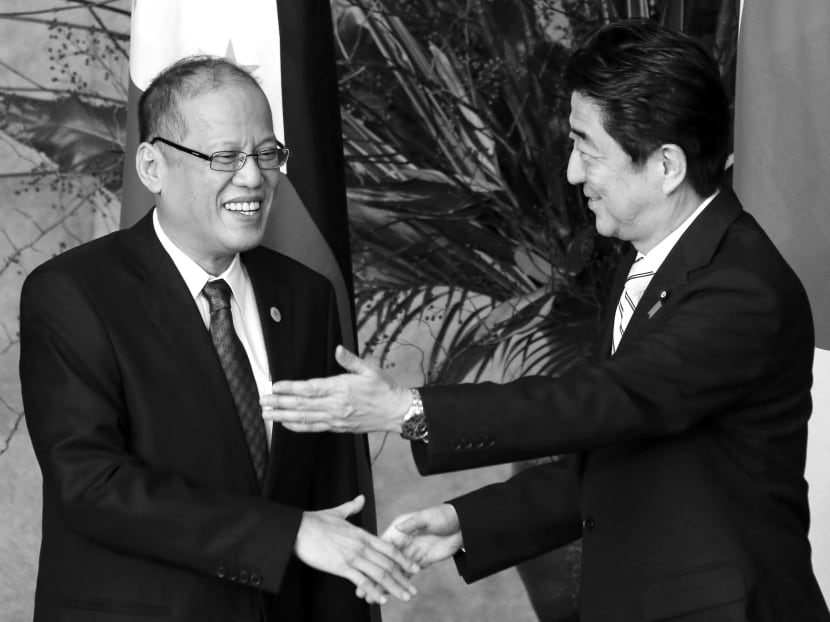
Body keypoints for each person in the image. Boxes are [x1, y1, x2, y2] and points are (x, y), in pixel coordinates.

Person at [261, 19, 830, 622]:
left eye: (588, 149)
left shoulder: (742, 289)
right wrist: (468, 523)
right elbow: (621, 454)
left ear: (667, 166)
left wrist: (409, 409)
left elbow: (603, 401)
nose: (572, 174)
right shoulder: (648, 261)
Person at [19, 55, 418, 622]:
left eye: (267, 153)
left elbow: (333, 506)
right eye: (225, 156)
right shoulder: (74, 293)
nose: (253, 177)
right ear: (152, 167)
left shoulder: (306, 297)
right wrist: (282, 535)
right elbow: (91, 485)